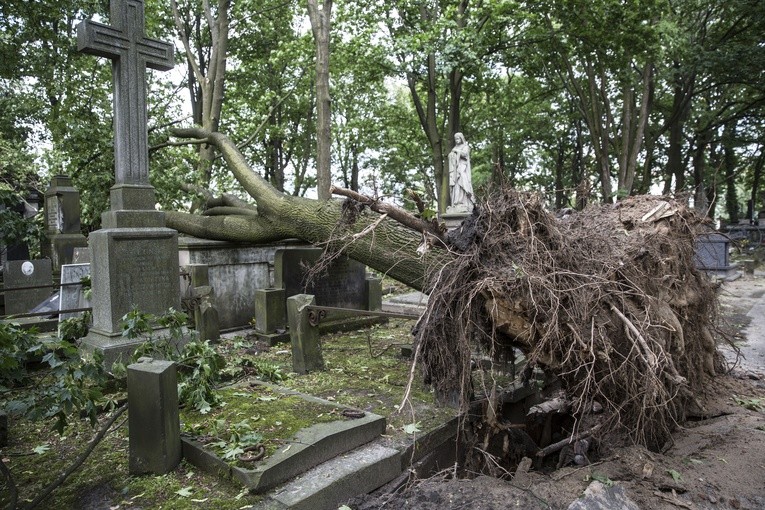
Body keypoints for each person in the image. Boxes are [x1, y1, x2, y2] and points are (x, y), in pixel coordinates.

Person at [448, 132, 474, 211]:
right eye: (455, 139)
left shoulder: (465, 146)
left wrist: (457, 152)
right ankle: (456, 202)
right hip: (455, 168)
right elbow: (451, 156)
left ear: (461, 138)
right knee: (456, 184)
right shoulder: (454, 147)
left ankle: (464, 201)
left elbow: (465, 154)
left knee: (462, 180)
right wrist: (452, 155)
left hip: (462, 166)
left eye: (458, 138)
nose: (457, 140)